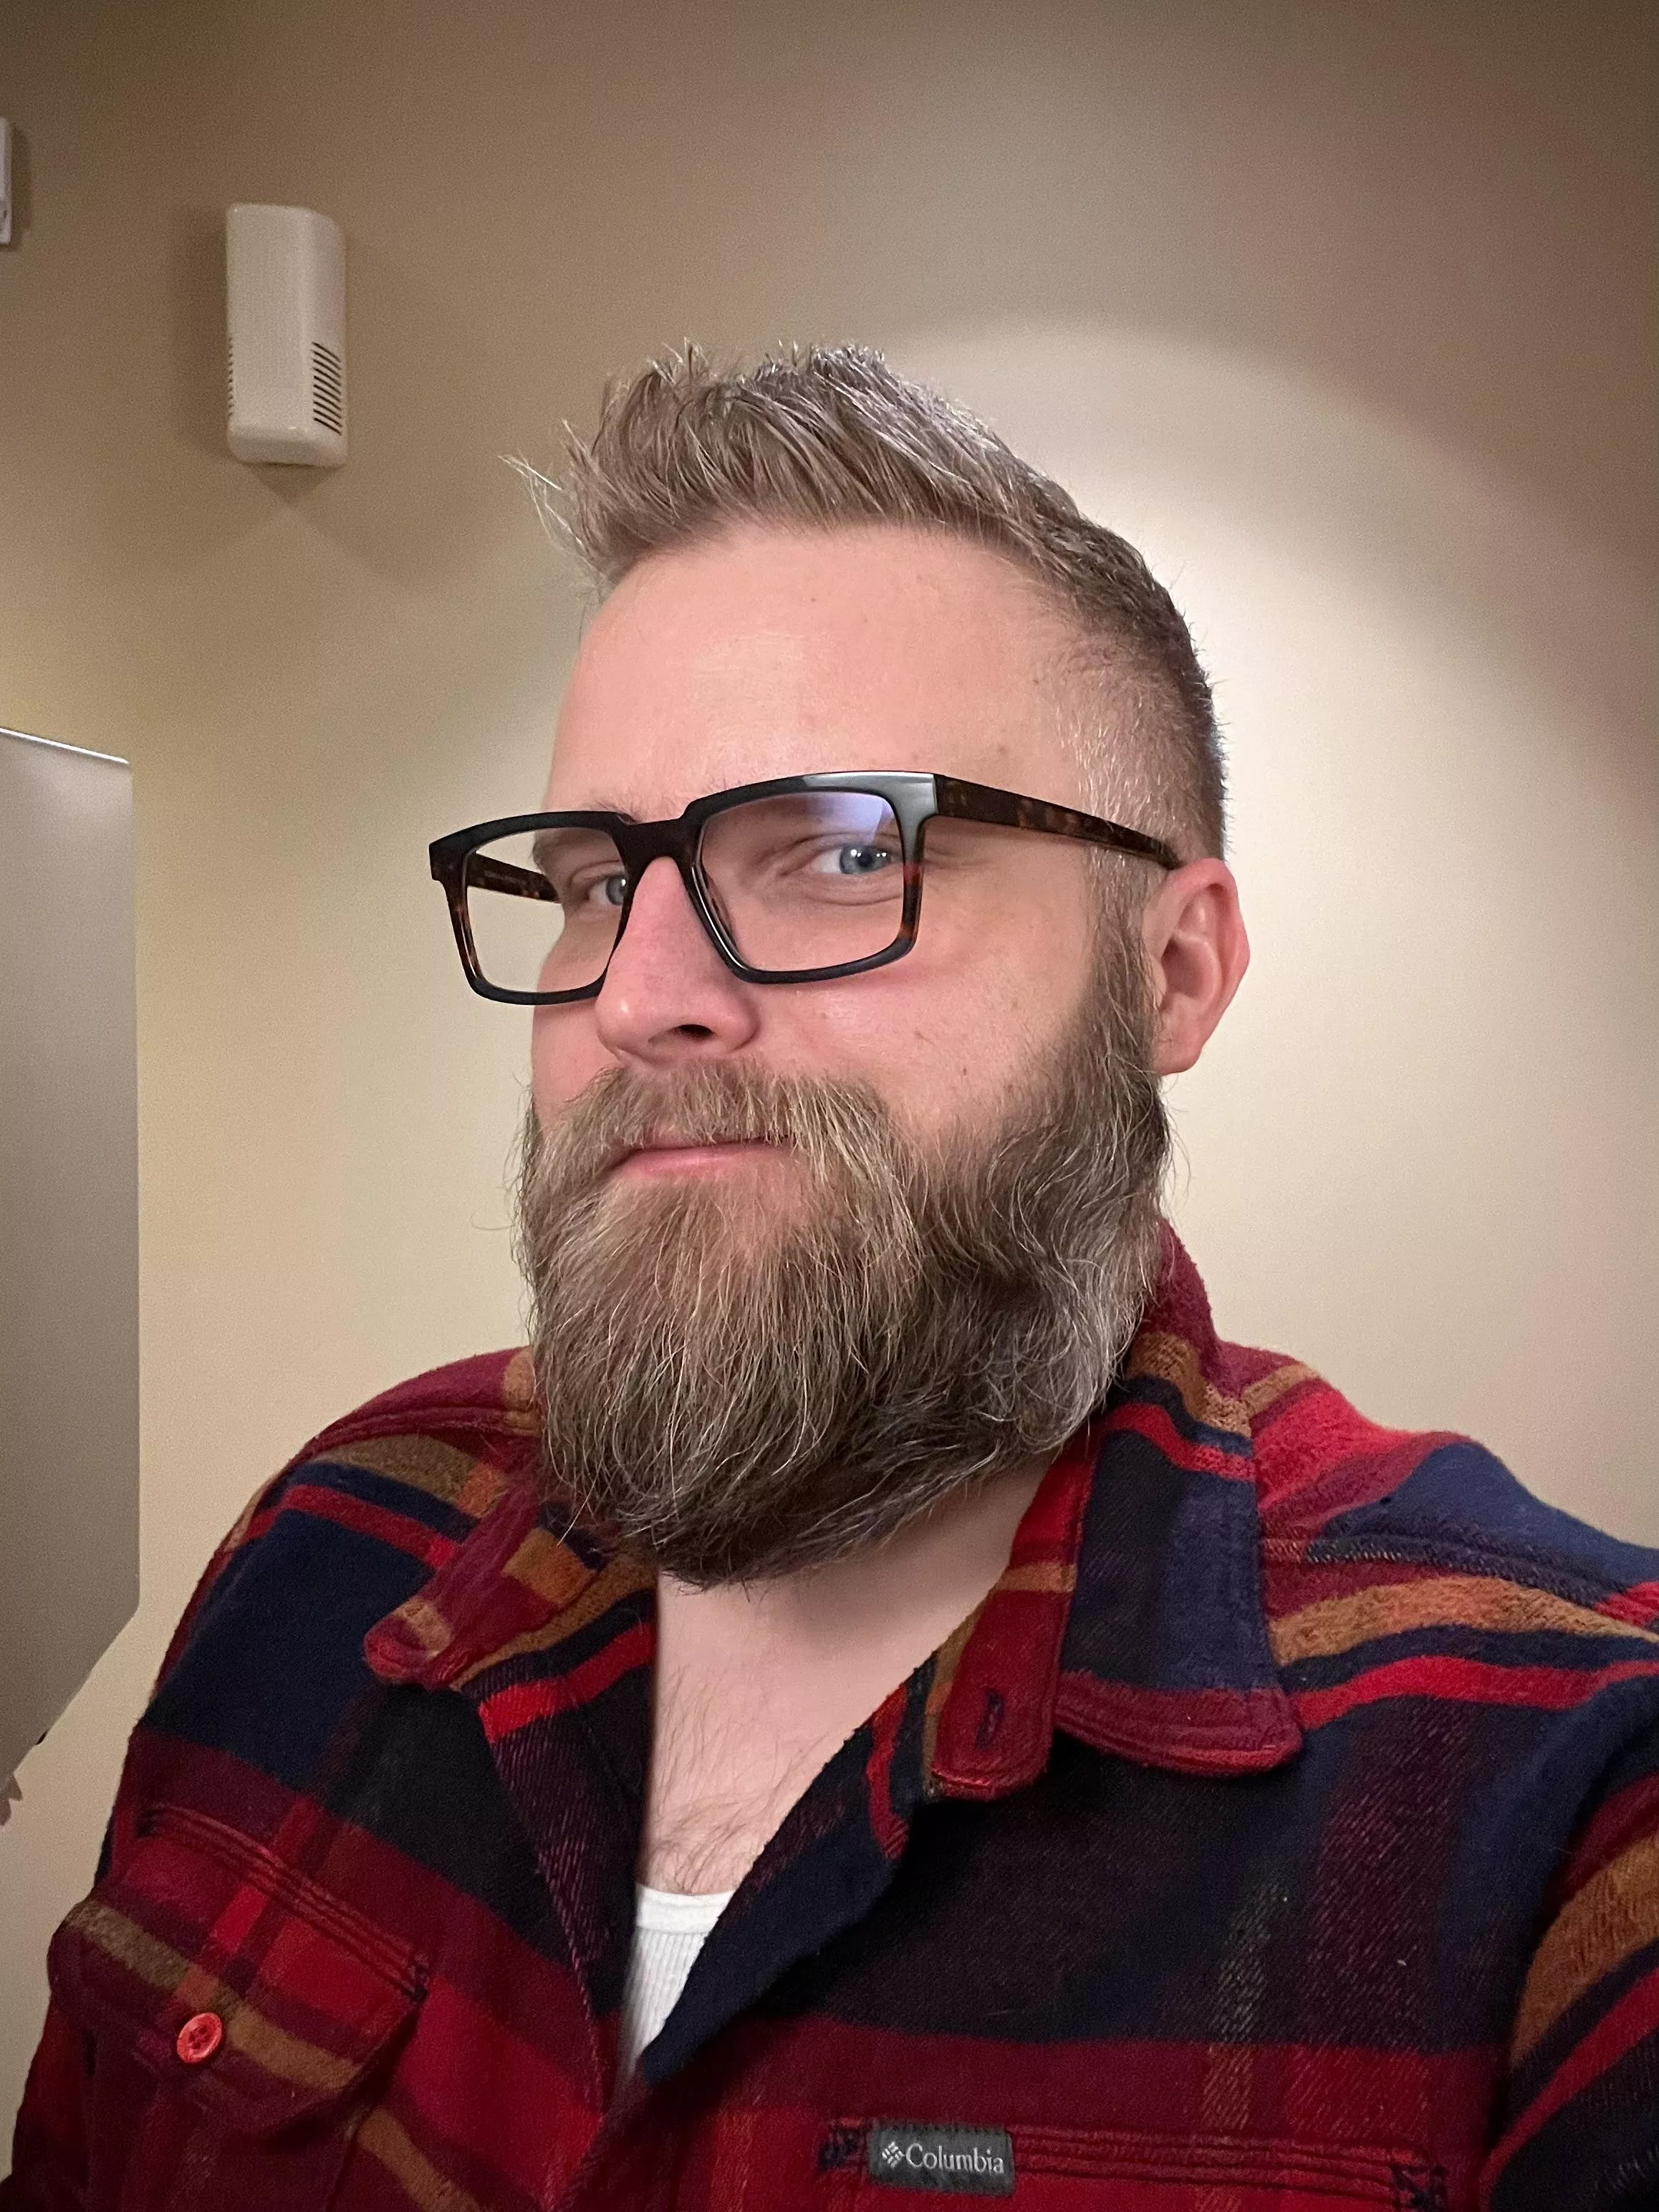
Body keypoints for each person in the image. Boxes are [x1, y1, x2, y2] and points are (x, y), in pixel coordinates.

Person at [7, 348, 1658, 2212]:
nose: (639, 999)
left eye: (834, 852)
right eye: (582, 877)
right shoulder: (334, 1553)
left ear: (1171, 970)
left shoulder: (1562, 1818)